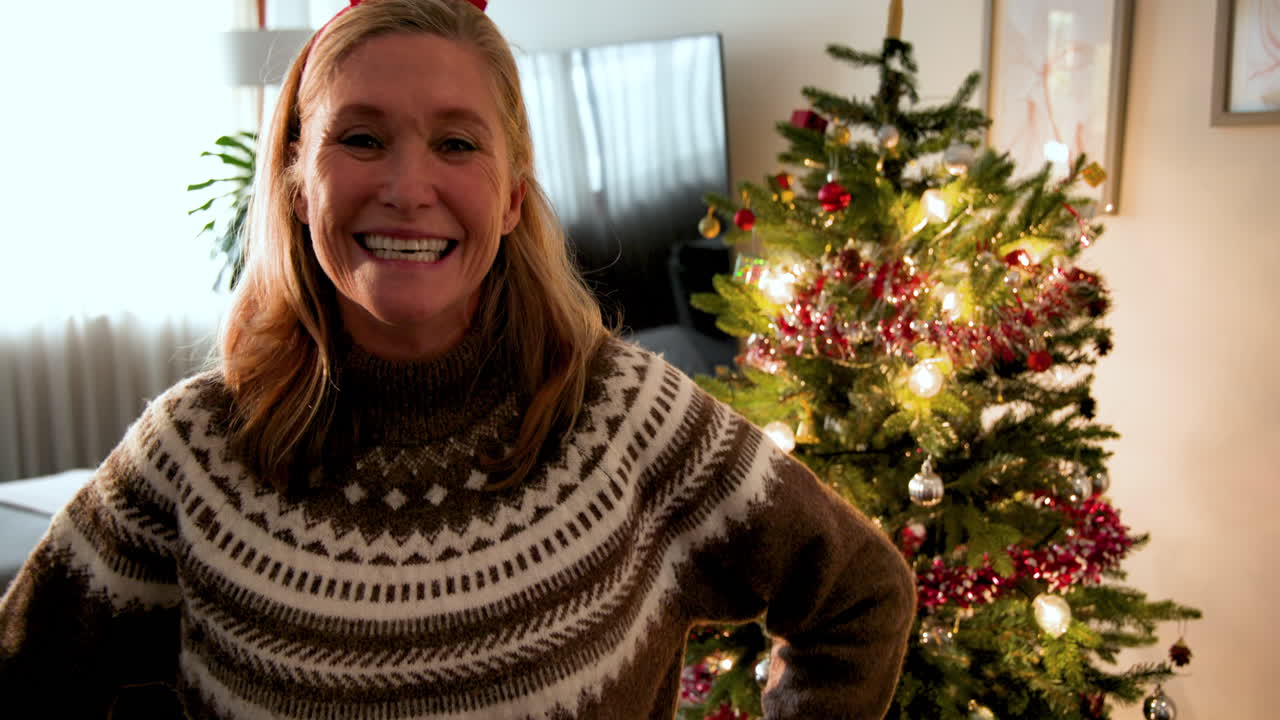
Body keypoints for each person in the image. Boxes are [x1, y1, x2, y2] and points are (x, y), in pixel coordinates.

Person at [0, 1, 915, 717]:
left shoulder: (632, 422)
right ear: (294, 177)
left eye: (455, 143)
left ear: (513, 196)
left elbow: (860, 596)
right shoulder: (193, 450)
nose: (406, 188)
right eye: (359, 137)